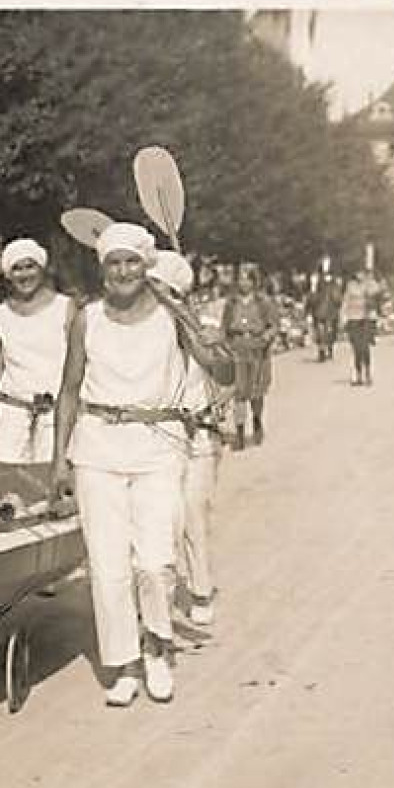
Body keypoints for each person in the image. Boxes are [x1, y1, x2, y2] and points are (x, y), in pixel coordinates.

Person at [51, 224, 233, 707]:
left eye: (133, 262)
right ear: (103, 269)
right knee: (108, 566)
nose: (124, 272)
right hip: (95, 447)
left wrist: (196, 325)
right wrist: (58, 461)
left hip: (158, 446)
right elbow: (69, 389)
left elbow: (224, 372)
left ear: (146, 265)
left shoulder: (172, 317)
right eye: (114, 263)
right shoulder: (86, 318)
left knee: (154, 562)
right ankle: (125, 662)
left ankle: (157, 647)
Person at [152, 252, 228, 629]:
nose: (156, 297)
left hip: (199, 434)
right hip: (160, 437)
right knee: (162, 518)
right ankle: (159, 597)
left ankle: (200, 588)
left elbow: (227, 374)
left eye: (162, 289)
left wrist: (202, 335)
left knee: (192, 514)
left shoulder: (205, 324)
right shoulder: (142, 331)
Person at [0, 238, 75, 464]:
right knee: (4, 478)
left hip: (55, 411)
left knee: (47, 482)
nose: (24, 275)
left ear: (42, 269)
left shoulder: (66, 307)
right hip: (13, 409)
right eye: (16, 269)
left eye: (30, 266)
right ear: (8, 275)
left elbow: (80, 365)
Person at [220, 263, 279, 449]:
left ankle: (257, 420)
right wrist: (225, 345)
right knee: (239, 393)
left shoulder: (263, 303)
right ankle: (239, 433)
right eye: (240, 279)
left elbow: (274, 326)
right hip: (237, 348)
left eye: (247, 278)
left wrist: (265, 338)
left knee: (256, 392)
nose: (243, 283)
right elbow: (224, 327)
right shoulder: (231, 303)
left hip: (257, 349)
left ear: (254, 282)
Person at [340, 268, 381, 387]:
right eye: (358, 272)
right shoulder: (350, 286)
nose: (360, 275)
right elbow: (345, 302)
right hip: (353, 319)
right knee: (356, 349)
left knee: (365, 348)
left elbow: (376, 290)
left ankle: (367, 374)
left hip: (365, 319)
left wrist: (369, 281)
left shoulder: (368, 285)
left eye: (362, 273)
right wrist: (343, 318)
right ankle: (358, 375)